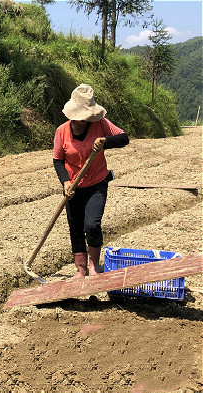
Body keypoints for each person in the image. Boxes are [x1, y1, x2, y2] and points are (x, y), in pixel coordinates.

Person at [53, 84, 129, 279]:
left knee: (92, 225)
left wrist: (105, 141)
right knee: (75, 226)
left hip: (96, 183)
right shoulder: (62, 132)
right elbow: (58, 160)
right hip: (73, 186)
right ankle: (80, 270)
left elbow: (123, 138)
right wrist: (65, 183)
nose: (84, 121)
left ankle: (94, 265)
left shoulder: (101, 124)